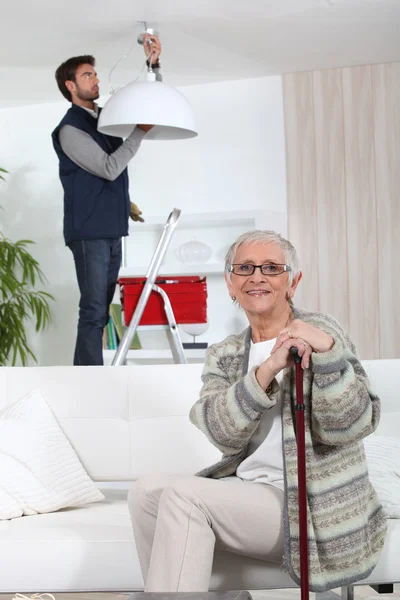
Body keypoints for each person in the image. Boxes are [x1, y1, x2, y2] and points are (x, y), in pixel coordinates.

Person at [128, 229, 387, 593]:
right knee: (145, 491)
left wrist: (327, 355)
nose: (257, 277)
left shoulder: (320, 332)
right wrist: (266, 370)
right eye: (245, 268)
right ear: (231, 285)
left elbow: (348, 426)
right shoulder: (226, 353)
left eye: (271, 267)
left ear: (292, 282)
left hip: (314, 507)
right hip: (251, 493)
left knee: (184, 496)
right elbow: (222, 433)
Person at [52, 35, 161, 365]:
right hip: (89, 234)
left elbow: (97, 177)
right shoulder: (70, 129)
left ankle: (92, 376)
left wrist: (153, 65)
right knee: (94, 309)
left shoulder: (102, 118)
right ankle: (88, 380)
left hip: (110, 228)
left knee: (103, 304)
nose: (96, 79)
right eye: (88, 75)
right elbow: (110, 168)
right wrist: (140, 132)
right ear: (70, 85)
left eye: (95, 74)